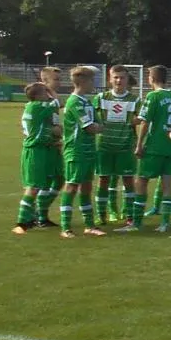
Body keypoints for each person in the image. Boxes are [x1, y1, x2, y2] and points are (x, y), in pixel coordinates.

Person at [130, 64, 171, 232]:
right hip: (170, 146)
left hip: (154, 145)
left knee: (141, 181)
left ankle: (136, 222)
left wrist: (139, 144)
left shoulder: (153, 96)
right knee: (167, 183)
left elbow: (145, 122)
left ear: (151, 78)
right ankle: (164, 223)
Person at [57, 65, 105, 237]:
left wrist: (98, 127)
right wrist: (97, 127)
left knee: (86, 187)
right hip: (76, 151)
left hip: (89, 150)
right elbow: (91, 127)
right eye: (93, 80)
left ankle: (89, 225)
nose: (94, 84)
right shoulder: (74, 102)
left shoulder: (86, 101)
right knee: (71, 186)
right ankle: (65, 227)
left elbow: (100, 124)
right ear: (84, 82)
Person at [13, 81, 61, 235]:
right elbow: (57, 102)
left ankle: (38, 217)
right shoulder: (37, 107)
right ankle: (21, 222)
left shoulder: (34, 107)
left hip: (44, 149)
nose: (47, 94)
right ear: (38, 95)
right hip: (35, 151)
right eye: (44, 92)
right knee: (33, 188)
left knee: (46, 183)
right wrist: (49, 88)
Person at [95, 65, 138, 225]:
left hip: (125, 146)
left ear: (127, 79)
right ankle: (102, 215)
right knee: (103, 180)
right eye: (116, 77)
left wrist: (136, 121)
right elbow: (93, 117)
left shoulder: (135, 100)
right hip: (105, 146)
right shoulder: (101, 97)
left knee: (128, 180)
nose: (119, 80)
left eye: (122, 77)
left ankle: (129, 215)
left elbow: (140, 120)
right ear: (110, 79)